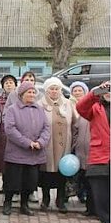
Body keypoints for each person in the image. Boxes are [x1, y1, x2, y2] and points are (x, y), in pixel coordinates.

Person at [2, 82, 51, 216]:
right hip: (16, 154)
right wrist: (27, 142)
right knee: (12, 181)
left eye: (33, 92)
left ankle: (24, 205)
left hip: (34, 154)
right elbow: (10, 129)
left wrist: (40, 142)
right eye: (28, 92)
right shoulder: (13, 109)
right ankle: (8, 203)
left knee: (29, 182)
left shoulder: (40, 109)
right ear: (21, 94)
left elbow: (46, 128)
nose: (32, 95)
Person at [37, 77, 78, 213]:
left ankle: (60, 200)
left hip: (64, 145)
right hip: (47, 145)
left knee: (62, 173)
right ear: (46, 90)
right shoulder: (39, 104)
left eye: (57, 89)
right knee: (46, 174)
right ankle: (45, 199)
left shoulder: (68, 104)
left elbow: (75, 124)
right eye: (51, 89)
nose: (54, 91)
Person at [76, 81, 110, 223]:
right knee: (101, 196)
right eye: (106, 90)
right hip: (99, 157)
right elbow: (80, 107)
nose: (109, 92)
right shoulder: (95, 108)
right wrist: (95, 92)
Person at [69, 81, 94, 217]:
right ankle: (89, 208)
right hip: (79, 152)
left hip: (94, 154)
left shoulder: (97, 111)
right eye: (75, 90)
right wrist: (73, 145)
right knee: (82, 179)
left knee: (92, 183)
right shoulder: (84, 114)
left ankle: (94, 207)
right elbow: (75, 130)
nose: (77, 93)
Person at [0, 74, 18, 193]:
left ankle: (15, 186)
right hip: (3, 134)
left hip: (17, 134)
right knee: (4, 162)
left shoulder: (20, 99)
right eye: (6, 83)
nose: (9, 84)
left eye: (11, 82)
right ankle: (5, 185)